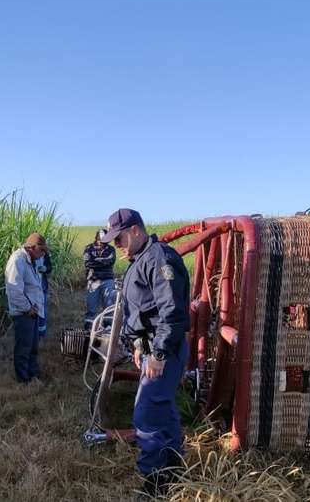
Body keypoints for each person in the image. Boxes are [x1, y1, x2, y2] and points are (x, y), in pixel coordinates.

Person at [99, 208, 190, 497]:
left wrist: (159, 354)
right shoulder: (140, 259)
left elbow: (172, 313)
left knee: (146, 414)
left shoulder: (160, 259)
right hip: (151, 347)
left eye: (120, 239)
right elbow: (141, 312)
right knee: (163, 408)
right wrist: (139, 346)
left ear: (136, 230)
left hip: (165, 349)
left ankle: (154, 483)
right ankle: (174, 468)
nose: (118, 246)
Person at [4, 232, 48, 383]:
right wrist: (27, 308)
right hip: (23, 312)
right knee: (23, 348)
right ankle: (23, 380)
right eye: (42, 250)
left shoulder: (32, 259)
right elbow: (14, 290)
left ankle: (33, 375)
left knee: (33, 347)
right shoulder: (17, 260)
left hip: (33, 310)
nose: (43, 254)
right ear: (32, 247)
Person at [83, 229, 117, 329]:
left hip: (108, 280)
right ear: (96, 238)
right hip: (93, 281)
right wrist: (103, 261)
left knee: (109, 306)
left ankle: (108, 327)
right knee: (91, 307)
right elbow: (88, 263)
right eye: (101, 240)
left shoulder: (111, 249)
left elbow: (110, 261)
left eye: (105, 240)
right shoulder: (88, 248)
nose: (103, 242)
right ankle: (89, 328)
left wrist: (96, 260)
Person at [36, 250, 52, 338]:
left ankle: (42, 335)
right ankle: (35, 335)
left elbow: (50, 267)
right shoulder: (27, 256)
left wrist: (45, 269)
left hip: (42, 286)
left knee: (43, 312)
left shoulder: (45, 254)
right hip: (32, 288)